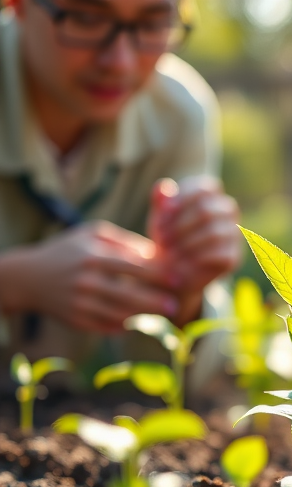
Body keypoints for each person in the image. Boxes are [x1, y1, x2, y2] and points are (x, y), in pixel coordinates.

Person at [0, 0, 240, 385]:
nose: (121, 62)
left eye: (153, 22)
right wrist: (15, 283)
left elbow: (168, 378)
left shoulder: (178, 114)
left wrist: (187, 296)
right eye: (85, 18)